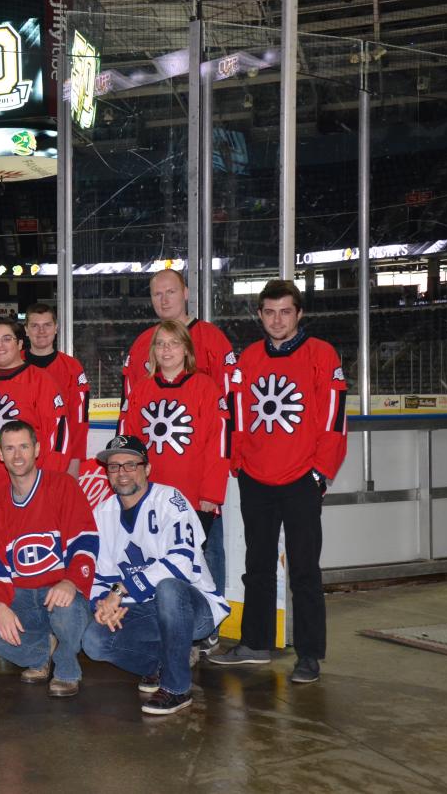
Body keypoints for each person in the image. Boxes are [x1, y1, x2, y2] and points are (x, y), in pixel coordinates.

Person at [209, 280, 347, 684]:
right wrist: (239, 463)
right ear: (260, 315)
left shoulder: (322, 354)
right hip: (256, 479)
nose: (277, 320)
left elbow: (334, 419)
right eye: (269, 312)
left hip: (302, 480)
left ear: (299, 313)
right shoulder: (248, 357)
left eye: (285, 311)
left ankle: (309, 654)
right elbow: (235, 414)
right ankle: (255, 643)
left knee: (304, 569)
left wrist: (320, 474)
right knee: (258, 564)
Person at [83, 435, 229, 716]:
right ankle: (164, 663)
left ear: (147, 469)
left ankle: (177, 689)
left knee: (169, 589)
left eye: (130, 465)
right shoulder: (103, 513)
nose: (122, 473)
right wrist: (103, 605)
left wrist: (121, 591)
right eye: (114, 467)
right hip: (143, 607)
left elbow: (181, 562)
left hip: (194, 609)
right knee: (94, 640)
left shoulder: (171, 501)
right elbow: (100, 575)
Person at [0, 420, 97, 697]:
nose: (18, 455)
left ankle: (67, 667)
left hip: (57, 591)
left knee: (68, 608)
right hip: (21, 595)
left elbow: (85, 543)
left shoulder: (63, 487)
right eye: (9, 448)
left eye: (24, 446)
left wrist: (71, 581)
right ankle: (40, 654)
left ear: (37, 449)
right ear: (0, 454)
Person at [118, 319, 229, 609]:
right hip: (151, 498)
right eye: (160, 344)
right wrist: (128, 488)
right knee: (155, 565)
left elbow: (218, 444)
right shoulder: (141, 390)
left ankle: (198, 630)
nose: (166, 350)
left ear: (186, 349)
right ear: (153, 351)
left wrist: (211, 494)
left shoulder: (205, 387)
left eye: (173, 343)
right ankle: (161, 629)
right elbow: (128, 444)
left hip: (193, 499)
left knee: (190, 567)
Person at [0, 316, 69, 502]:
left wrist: (44, 482)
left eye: (6, 339)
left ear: (20, 343)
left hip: (25, 490)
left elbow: (58, 438)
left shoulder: (41, 382)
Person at [122, 269, 235, 399]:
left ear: (185, 293)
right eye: (157, 294)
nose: (164, 300)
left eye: (171, 292)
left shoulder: (212, 338)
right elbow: (128, 403)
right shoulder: (141, 344)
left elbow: (229, 396)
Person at [23, 303, 90, 476]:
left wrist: (75, 459)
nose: (41, 331)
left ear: (56, 328)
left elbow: (79, 419)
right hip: (20, 455)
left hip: (59, 456)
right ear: (26, 330)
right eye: (35, 326)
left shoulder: (72, 368)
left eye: (47, 325)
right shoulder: (13, 364)